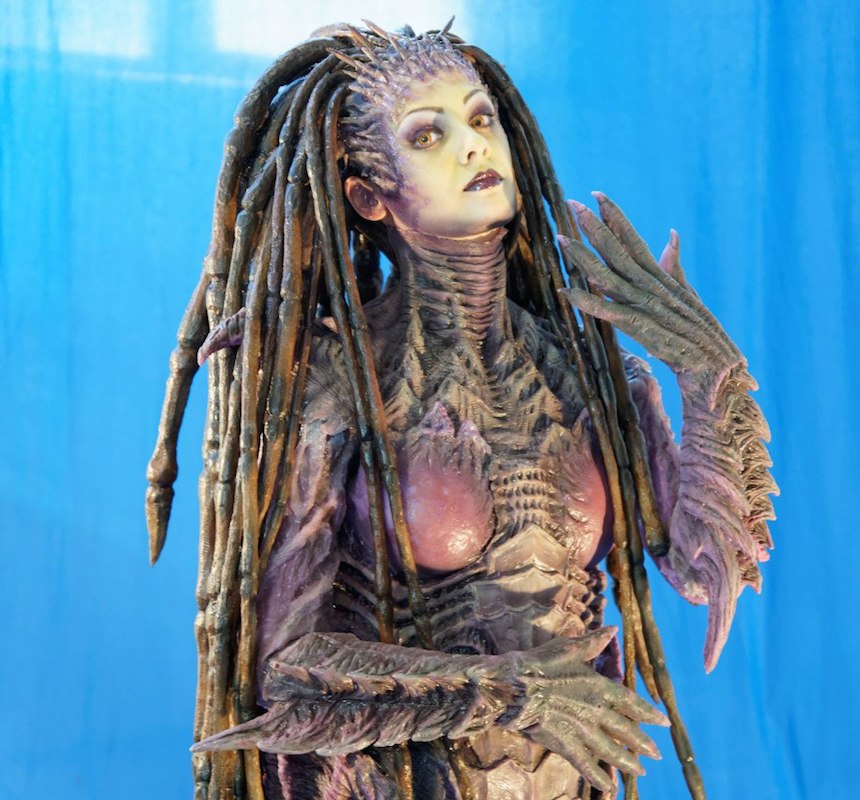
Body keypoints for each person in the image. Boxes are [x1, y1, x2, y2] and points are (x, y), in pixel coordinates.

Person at [146, 21, 775, 800]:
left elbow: (703, 566)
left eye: (481, 119)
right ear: (368, 196)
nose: (473, 144)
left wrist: (710, 375)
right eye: (428, 134)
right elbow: (286, 667)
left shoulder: (594, 376)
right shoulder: (337, 382)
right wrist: (513, 691)